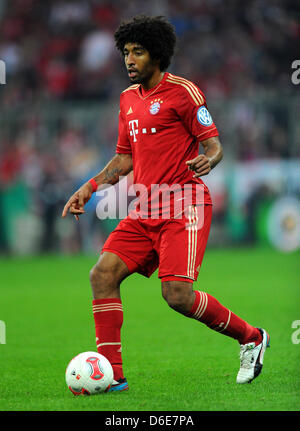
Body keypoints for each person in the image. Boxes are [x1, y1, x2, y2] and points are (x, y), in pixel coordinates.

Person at [62, 15, 269, 391]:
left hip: (184, 205)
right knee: (102, 275)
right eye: (125, 52)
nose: (129, 60)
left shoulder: (184, 93)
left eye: (137, 52)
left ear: (157, 54)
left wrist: (212, 158)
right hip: (144, 208)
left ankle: (252, 338)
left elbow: (214, 144)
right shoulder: (127, 100)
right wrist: (90, 186)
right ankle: (111, 375)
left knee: (177, 296)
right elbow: (124, 158)